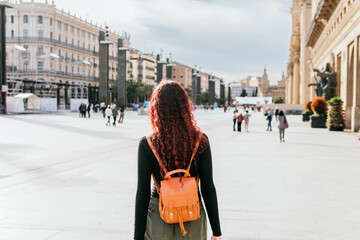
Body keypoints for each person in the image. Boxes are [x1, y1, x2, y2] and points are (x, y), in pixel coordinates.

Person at [134, 80, 222, 240]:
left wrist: (137, 237)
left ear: (156, 108)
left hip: (159, 214)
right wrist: (216, 231)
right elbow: (208, 188)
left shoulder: (148, 143)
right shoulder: (200, 141)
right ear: (185, 106)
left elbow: (143, 193)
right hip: (192, 214)